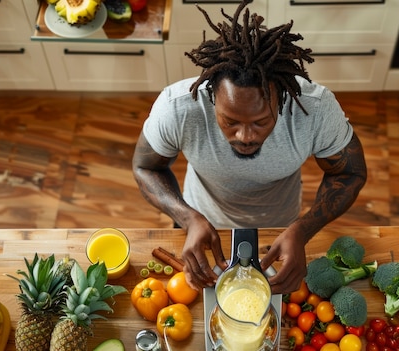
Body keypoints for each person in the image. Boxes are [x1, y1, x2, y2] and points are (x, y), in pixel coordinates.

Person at [132, 0, 367, 294]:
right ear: (211, 100)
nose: (245, 136)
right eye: (230, 121)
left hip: (281, 230)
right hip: (201, 228)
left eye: (260, 122)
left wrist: (302, 231)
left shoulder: (314, 109)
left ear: (282, 102)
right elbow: (144, 166)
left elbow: (350, 173)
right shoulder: (178, 107)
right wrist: (186, 217)